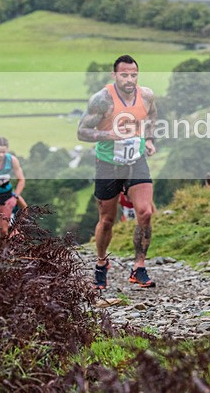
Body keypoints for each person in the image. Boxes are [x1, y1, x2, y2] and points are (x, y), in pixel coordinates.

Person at [77, 55, 158, 290]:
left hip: (136, 160)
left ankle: (139, 267)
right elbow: (82, 131)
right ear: (114, 76)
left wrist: (149, 139)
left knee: (144, 213)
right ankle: (101, 263)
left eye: (133, 74)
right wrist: (109, 135)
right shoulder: (102, 100)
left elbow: (152, 117)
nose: (129, 79)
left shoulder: (147, 96)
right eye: (124, 75)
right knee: (107, 219)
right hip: (108, 164)